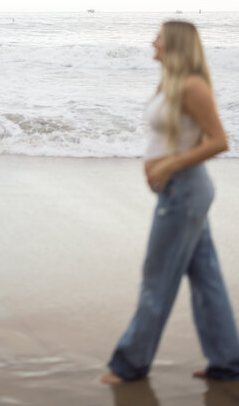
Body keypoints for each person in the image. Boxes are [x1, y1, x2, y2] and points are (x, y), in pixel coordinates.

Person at [101, 20, 239, 384]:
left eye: (159, 37)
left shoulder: (193, 86)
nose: (153, 41)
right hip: (180, 190)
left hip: (185, 191)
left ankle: (129, 365)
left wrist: (170, 166)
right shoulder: (171, 83)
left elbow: (220, 140)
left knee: (157, 279)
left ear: (175, 44)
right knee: (206, 277)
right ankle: (227, 362)